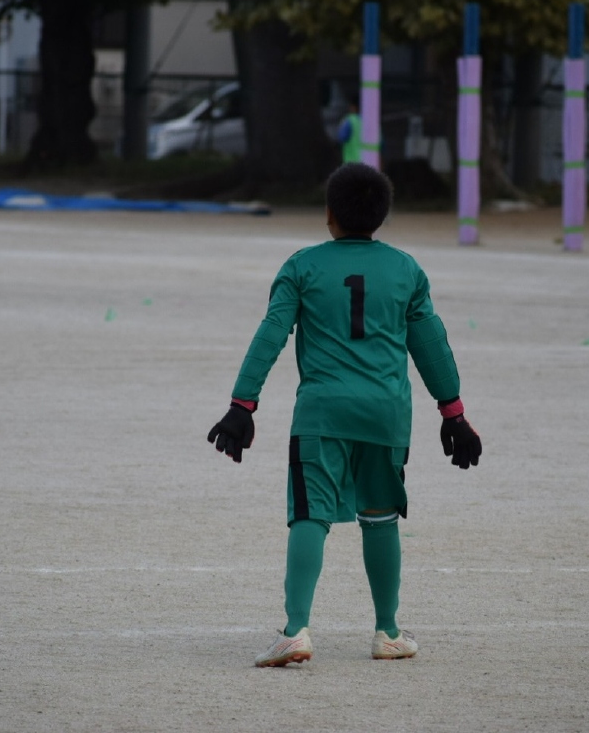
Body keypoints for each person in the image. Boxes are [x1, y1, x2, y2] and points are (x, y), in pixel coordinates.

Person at [206, 162, 482, 667]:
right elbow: (431, 345)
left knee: (309, 514)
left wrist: (242, 405)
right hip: (386, 415)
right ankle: (388, 632)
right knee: (381, 517)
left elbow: (271, 334)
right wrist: (454, 413)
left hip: (322, 414)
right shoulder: (406, 269)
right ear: (382, 216)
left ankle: (295, 631)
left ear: (329, 213)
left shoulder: (302, 266)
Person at [337, 95, 362, 164]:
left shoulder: (349, 121)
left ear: (353, 107)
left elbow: (341, 137)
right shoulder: (373, 122)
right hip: (370, 164)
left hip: (352, 164)